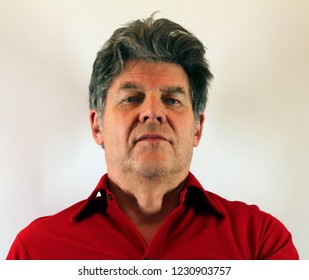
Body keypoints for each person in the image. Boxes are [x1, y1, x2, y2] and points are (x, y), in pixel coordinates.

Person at [7, 15, 299, 260]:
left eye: (172, 100)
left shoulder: (260, 243)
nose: (152, 112)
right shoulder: (35, 251)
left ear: (197, 127)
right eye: (132, 98)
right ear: (98, 127)